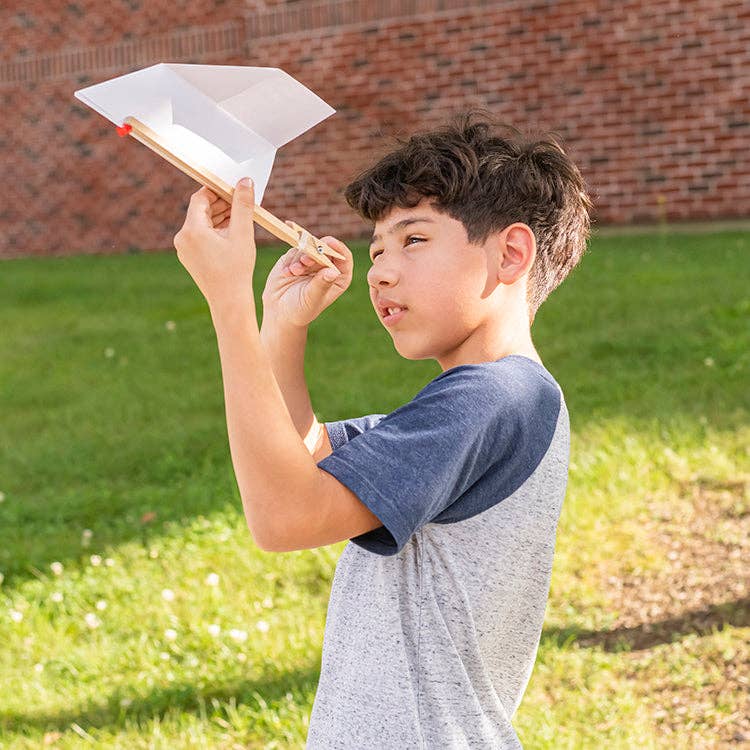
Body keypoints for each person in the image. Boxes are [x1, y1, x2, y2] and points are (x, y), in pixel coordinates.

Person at [174, 109, 592, 749]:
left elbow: (284, 517)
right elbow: (305, 465)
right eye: (376, 251)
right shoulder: (476, 404)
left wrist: (226, 300)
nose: (380, 272)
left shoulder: (496, 399)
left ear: (510, 253)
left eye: (414, 240)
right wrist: (281, 329)